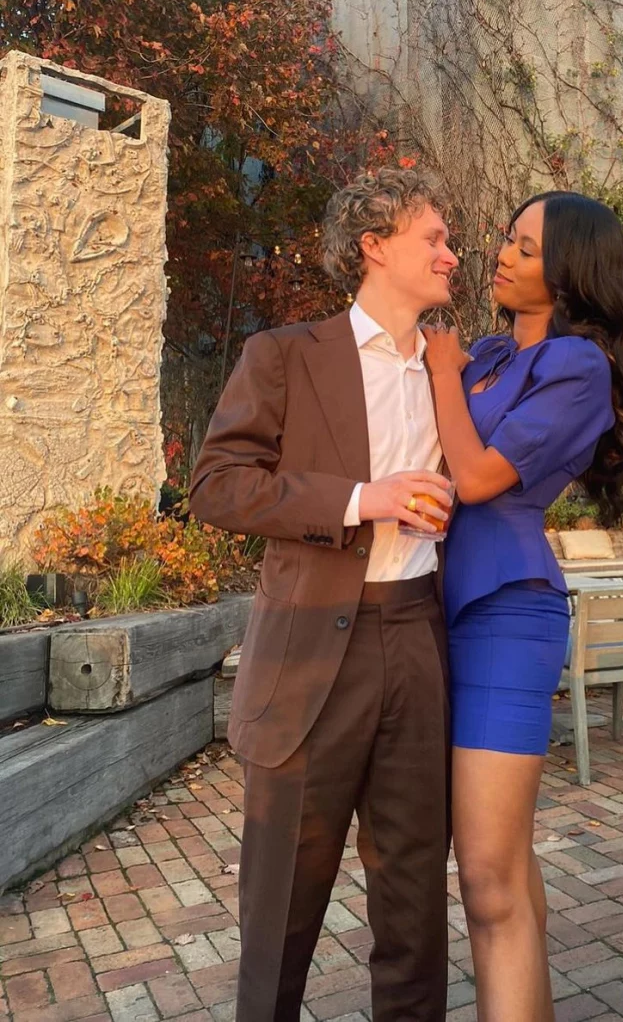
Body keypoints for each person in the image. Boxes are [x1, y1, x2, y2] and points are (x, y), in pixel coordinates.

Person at [189, 167, 457, 1022]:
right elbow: (217, 486)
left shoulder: (457, 370)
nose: (452, 255)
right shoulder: (284, 357)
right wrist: (359, 499)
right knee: (284, 902)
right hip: (310, 653)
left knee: (414, 895)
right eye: (434, 239)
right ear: (375, 246)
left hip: (417, 637)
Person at [423, 191, 623, 1021]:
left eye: (525, 247)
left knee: (485, 877)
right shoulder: (483, 353)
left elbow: (479, 480)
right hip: (427, 608)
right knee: (504, 864)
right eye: (506, 240)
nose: (503, 255)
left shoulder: (575, 368)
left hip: (503, 616)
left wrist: (442, 373)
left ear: (568, 271)